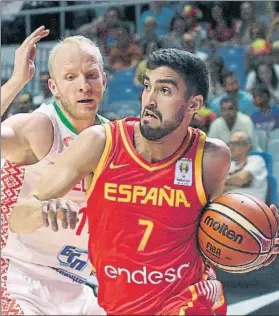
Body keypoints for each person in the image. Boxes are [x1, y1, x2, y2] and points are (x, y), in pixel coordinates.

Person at [10, 49, 279, 315]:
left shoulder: (211, 157)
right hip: (118, 303)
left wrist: (252, 248)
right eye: (147, 86)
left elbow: (207, 238)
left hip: (188, 298)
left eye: (164, 91)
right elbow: (18, 218)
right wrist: (42, 211)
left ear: (194, 105)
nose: (149, 100)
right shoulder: (100, 142)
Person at [1, 26, 107, 315]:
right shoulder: (40, 127)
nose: (83, 85)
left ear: (104, 81)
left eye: (91, 75)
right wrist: (16, 82)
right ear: (54, 88)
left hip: (77, 286)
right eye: (70, 77)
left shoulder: (111, 139)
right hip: (18, 276)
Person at [224, 131, 268, 201]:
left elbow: (242, 178)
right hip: (229, 204)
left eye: (236, 144)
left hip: (252, 206)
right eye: (230, 143)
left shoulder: (256, 160)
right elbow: (219, 188)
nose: (231, 147)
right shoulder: (230, 165)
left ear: (247, 146)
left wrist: (223, 181)